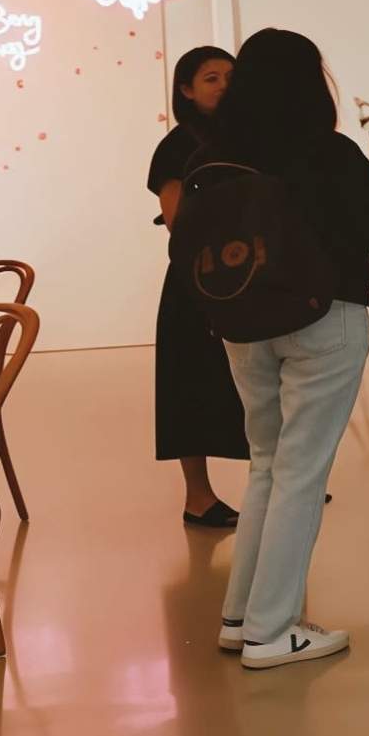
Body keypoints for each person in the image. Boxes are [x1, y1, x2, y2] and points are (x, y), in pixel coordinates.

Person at [200, 26, 369, 671]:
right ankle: (272, 630)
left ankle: (241, 617)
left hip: (243, 319)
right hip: (326, 318)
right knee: (300, 471)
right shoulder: (330, 152)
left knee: (267, 463)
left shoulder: (216, 155)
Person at [148, 45, 248, 525]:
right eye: (211, 78)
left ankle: (279, 480)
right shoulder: (176, 147)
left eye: (231, 75)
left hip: (250, 275)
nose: (225, 85)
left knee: (261, 384)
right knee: (190, 384)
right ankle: (198, 497)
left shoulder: (248, 138)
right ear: (186, 90)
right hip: (199, 280)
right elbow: (175, 220)